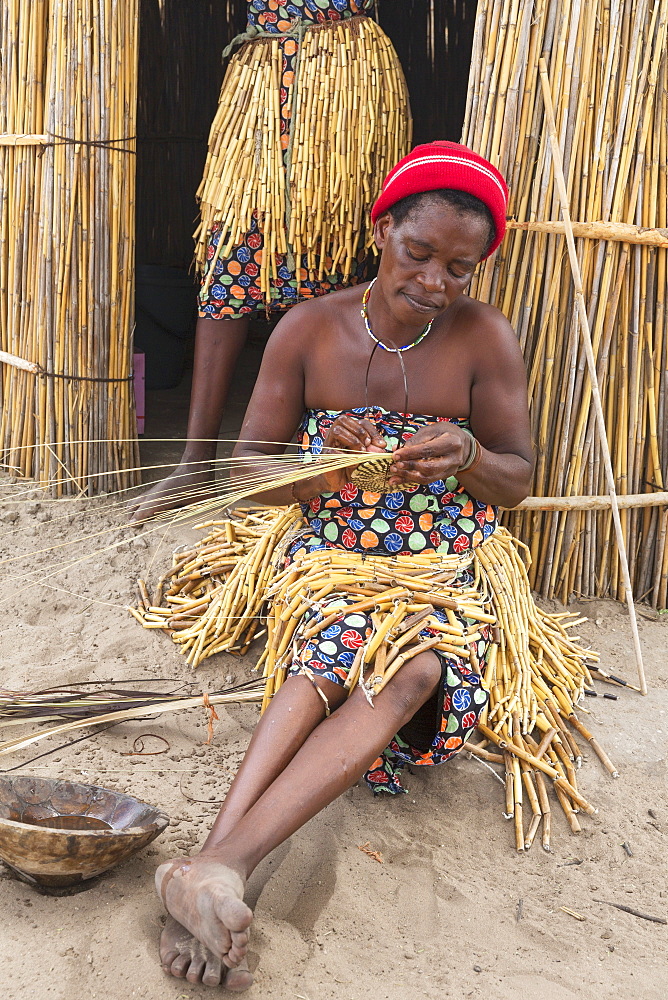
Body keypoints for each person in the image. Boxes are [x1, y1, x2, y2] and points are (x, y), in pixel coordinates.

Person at [154, 141, 534, 989]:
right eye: (419, 252)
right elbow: (247, 468)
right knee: (325, 659)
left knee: (413, 669)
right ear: (381, 230)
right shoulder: (309, 328)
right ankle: (215, 870)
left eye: (460, 268)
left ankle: (217, 864)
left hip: (443, 564)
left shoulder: (485, 338)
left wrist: (467, 449)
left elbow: (516, 479)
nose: (436, 281)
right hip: (333, 549)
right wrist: (316, 467)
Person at [132, 0, 411, 521]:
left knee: (332, 254)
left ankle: (313, 458)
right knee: (229, 252)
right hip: (260, 84)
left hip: (344, 76)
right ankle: (196, 460)